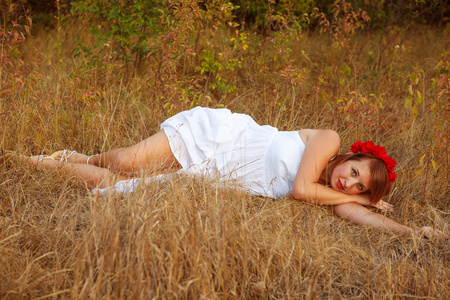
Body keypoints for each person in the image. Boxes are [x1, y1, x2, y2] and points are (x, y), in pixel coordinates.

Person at [3, 106, 447, 239]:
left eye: (359, 187)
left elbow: (358, 215)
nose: (348, 183)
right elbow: (298, 190)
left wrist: (409, 232)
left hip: (210, 177)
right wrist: (358, 197)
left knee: (118, 186)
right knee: (122, 162)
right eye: (354, 172)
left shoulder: (335, 195)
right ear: (348, 155)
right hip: (216, 137)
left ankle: (59, 161)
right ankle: (37, 159)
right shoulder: (326, 139)